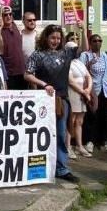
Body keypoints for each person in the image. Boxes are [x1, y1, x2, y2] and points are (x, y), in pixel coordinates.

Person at [24, 24, 80, 184]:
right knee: (42, 134)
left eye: (58, 38)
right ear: (46, 38)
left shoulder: (66, 53)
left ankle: (61, 168)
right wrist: (44, 84)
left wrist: (80, 30)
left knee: (61, 134)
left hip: (62, 100)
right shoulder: (37, 54)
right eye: (52, 37)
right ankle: (40, 166)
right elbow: (27, 75)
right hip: (44, 100)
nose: (55, 41)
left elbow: (82, 48)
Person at [79, 34, 107, 154]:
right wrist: (89, 65)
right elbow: (80, 71)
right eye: (94, 41)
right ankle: (90, 141)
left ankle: (105, 141)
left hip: (106, 89)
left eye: (100, 40)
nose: (97, 43)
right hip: (92, 90)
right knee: (92, 116)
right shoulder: (85, 55)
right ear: (90, 42)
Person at [0, 6, 27, 89]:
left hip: (21, 71)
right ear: (0, 17)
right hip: (7, 73)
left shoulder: (16, 27)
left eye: (10, 14)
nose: (8, 16)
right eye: (5, 15)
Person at [67, 56, 93, 158]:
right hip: (73, 92)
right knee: (71, 120)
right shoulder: (66, 62)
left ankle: (79, 145)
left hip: (83, 93)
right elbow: (71, 81)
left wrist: (88, 89)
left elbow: (88, 76)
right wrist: (84, 92)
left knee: (79, 121)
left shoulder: (80, 62)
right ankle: (68, 146)